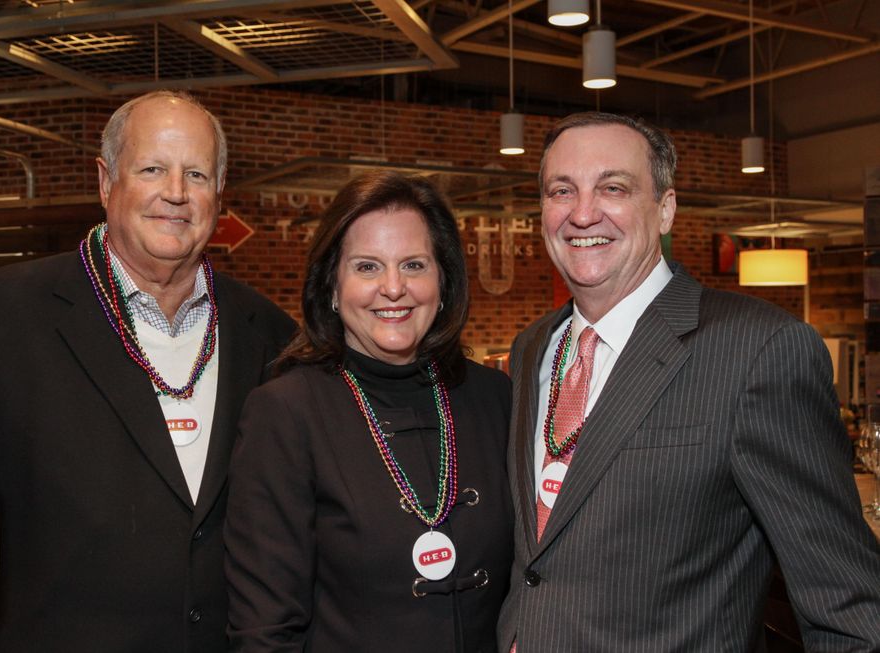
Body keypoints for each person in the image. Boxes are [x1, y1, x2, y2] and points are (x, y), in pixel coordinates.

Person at [0, 90, 296, 652]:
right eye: (153, 168)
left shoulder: (273, 335)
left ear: (220, 191)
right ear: (107, 181)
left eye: (197, 175)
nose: (176, 193)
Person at [497, 112, 880, 651]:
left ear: (666, 209)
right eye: (562, 190)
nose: (582, 213)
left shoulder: (758, 350)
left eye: (613, 187)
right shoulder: (533, 346)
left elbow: (849, 609)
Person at [224, 170, 514, 652]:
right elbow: (264, 630)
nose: (394, 288)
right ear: (332, 288)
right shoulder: (286, 414)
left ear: (443, 282)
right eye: (367, 267)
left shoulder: (494, 398)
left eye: (415, 265)